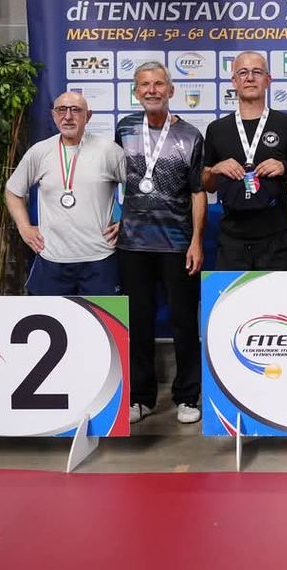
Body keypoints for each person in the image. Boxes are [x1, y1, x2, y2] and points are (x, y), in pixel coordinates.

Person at [116, 62, 206, 425]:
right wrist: (113, 218)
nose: (151, 90)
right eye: (144, 85)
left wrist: (196, 240)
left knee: (184, 323)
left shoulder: (190, 135)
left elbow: (198, 191)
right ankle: (141, 398)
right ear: (136, 91)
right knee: (138, 322)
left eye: (158, 84)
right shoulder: (124, 129)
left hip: (177, 243)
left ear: (170, 90)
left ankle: (188, 396)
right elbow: (112, 178)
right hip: (133, 243)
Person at [6, 91, 125, 295]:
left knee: (102, 317)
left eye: (75, 110)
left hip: (100, 259)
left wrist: (126, 222)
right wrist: (24, 227)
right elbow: (13, 191)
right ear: (54, 115)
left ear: (88, 116)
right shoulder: (40, 152)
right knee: (48, 316)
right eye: (61, 110)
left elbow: (139, 191)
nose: (68, 116)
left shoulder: (109, 151)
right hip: (52, 260)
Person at [202, 51, 287, 269]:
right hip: (232, 240)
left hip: (278, 239)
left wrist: (284, 167)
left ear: (268, 79)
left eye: (257, 72)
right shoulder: (217, 129)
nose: (250, 78)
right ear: (234, 81)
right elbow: (207, 184)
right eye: (243, 73)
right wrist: (216, 169)